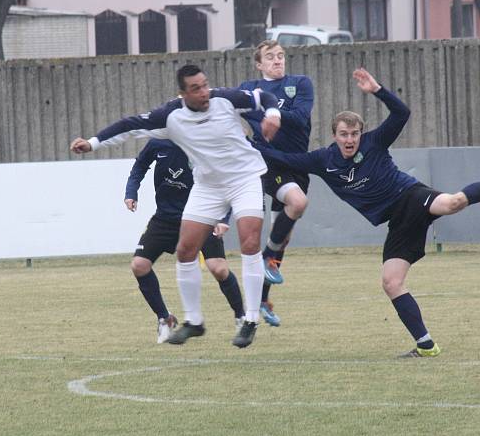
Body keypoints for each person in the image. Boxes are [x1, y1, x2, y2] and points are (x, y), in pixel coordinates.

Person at [255, 68, 480, 357]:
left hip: (411, 197)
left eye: (354, 133)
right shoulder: (323, 160)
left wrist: (378, 90)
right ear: (334, 135)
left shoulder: (374, 142)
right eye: (343, 134)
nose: (349, 139)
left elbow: (402, 113)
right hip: (398, 223)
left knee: (453, 203)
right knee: (391, 282)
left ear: (361, 134)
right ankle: (426, 345)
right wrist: (250, 145)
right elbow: (285, 158)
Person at [71, 64, 281, 348]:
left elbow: (264, 97)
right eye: (196, 88)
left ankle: (251, 319)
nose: (204, 92)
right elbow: (129, 125)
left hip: (243, 178)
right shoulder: (170, 116)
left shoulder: (225, 99)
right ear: (183, 93)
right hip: (208, 186)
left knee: (249, 241)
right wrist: (93, 143)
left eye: (205, 84)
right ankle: (194, 321)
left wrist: (272, 115)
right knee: (185, 250)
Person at [125, 138, 245, 343]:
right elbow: (140, 165)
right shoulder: (158, 142)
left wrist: (223, 218)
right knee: (139, 265)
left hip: (201, 217)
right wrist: (131, 192)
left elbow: (227, 181)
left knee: (218, 268)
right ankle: (165, 318)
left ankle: (242, 318)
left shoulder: (204, 143)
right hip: (165, 219)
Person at [239, 39, 314, 327]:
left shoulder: (301, 83)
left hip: (297, 163)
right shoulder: (250, 87)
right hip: (268, 162)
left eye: (281, 56)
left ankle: (262, 300)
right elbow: (239, 114)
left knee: (283, 234)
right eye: (271, 57)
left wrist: (272, 115)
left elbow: (301, 118)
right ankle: (267, 258)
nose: (278, 61)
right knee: (298, 203)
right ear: (259, 64)